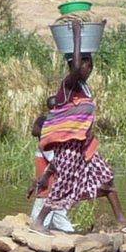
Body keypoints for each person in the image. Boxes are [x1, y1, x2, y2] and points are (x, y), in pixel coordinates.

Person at [33, 20, 126, 233]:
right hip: (67, 146)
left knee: (105, 176)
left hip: (83, 146)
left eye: (89, 64)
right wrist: (77, 35)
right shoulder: (68, 84)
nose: (88, 67)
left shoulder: (84, 88)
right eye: (86, 64)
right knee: (65, 183)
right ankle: (39, 222)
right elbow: (75, 67)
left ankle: (121, 219)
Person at [28, 99, 74, 233]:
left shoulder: (46, 143)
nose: (33, 128)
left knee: (37, 220)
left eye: (36, 125)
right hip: (53, 187)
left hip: (48, 189)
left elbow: (55, 163)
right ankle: (72, 236)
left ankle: (38, 239)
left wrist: (45, 181)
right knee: (60, 219)